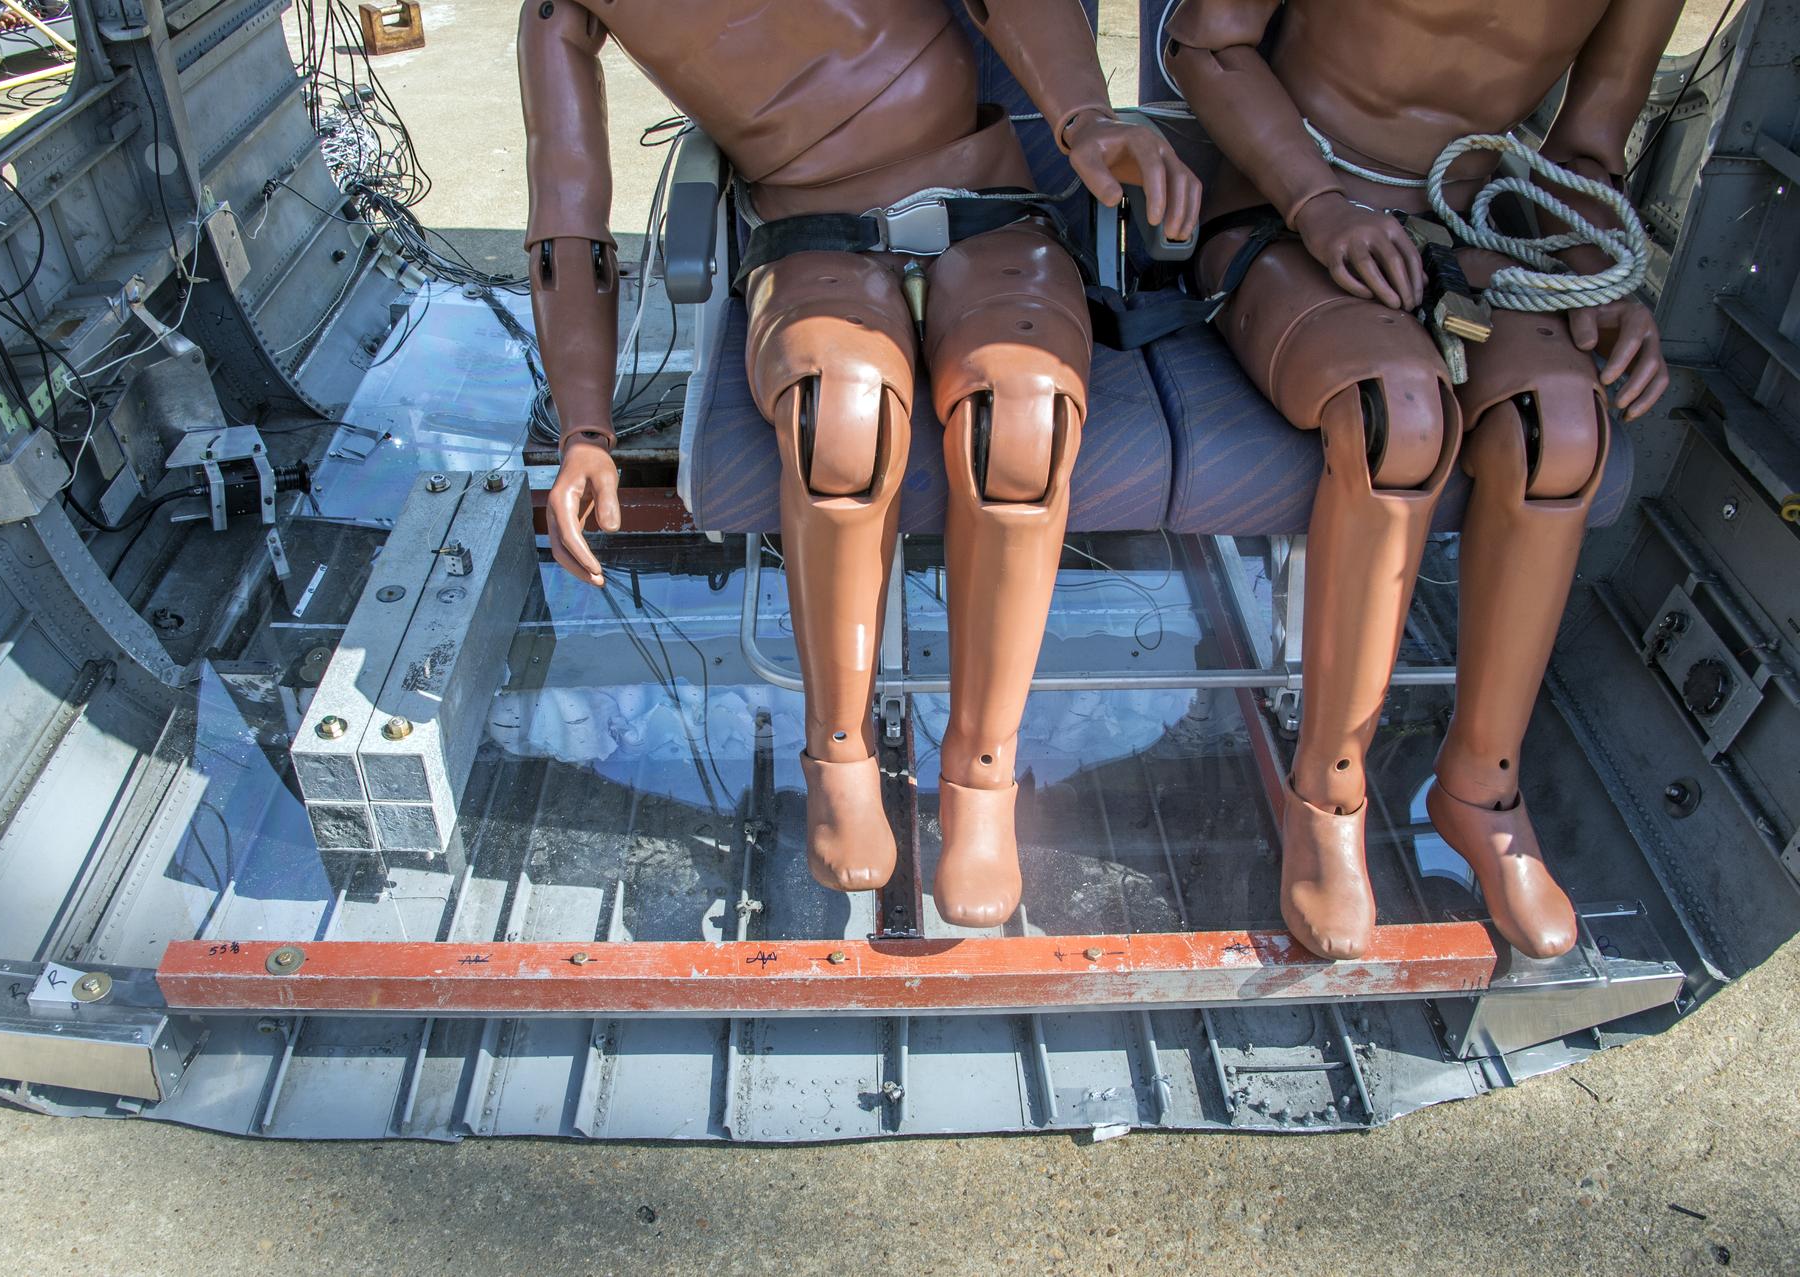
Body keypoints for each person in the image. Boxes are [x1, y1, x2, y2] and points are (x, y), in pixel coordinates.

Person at [520, 1, 1200, 924]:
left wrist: (1083, 118)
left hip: (990, 203)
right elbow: (568, 218)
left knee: (1024, 419)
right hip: (808, 232)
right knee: (836, 419)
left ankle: (983, 773)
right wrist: (585, 430)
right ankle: (840, 753)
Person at [1165, 0, 1677, 958]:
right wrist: (1317, 201)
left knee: (1559, 428)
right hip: (1283, 203)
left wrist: (1605, 277)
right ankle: (1330, 788)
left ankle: (1483, 787)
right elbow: (1202, 42)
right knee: (1396, 409)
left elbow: (1590, 147)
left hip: (1471, 226)